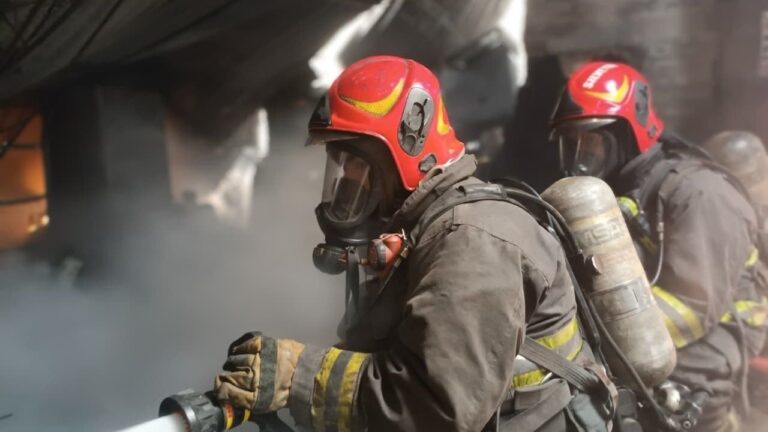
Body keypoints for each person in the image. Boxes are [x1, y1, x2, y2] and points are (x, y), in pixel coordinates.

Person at [212, 56, 612, 432]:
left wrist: (297, 376)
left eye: (358, 162)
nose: (347, 180)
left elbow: (437, 407)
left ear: (409, 144)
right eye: (340, 162)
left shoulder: (471, 241)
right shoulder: (424, 226)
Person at [549, 61, 768, 431]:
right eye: (570, 144)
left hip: (721, 332)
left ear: (629, 134)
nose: (579, 159)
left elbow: (693, 309)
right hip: (647, 323)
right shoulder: (611, 190)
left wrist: (598, 343)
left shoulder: (699, 194)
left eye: (592, 142)